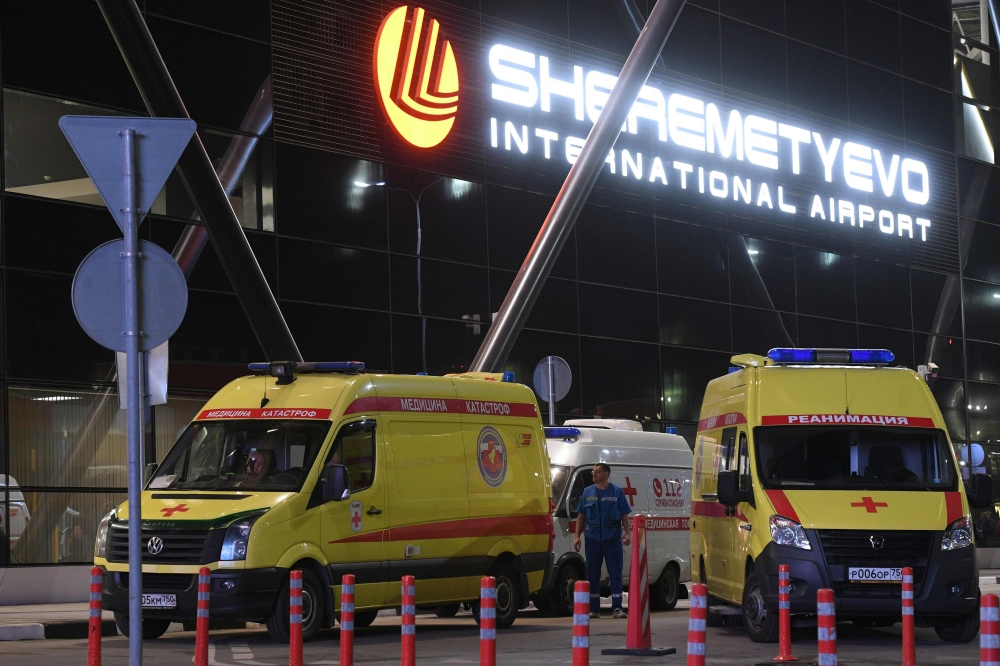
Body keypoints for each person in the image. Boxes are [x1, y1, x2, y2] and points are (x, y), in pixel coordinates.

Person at [573, 463, 632, 619]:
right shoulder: (587, 492)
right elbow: (581, 516)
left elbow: (624, 515)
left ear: (606, 474)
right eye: (593, 472)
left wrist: (627, 534)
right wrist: (577, 536)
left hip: (612, 539)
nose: (594, 474)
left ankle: (617, 608)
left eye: (597, 472)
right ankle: (594, 609)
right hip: (592, 539)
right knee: (592, 573)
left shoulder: (617, 492)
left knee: (615, 573)